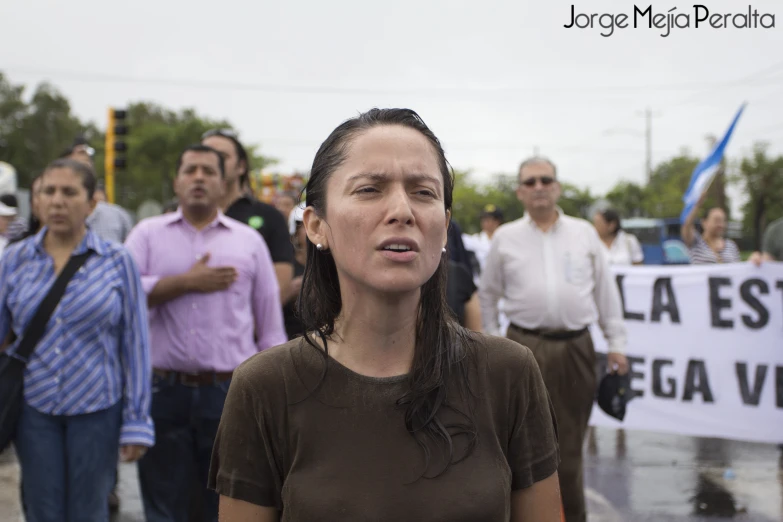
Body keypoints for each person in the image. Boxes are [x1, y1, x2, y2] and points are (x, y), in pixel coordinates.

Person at [208, 109, 562, 521]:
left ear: (444, 227)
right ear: (316, 225)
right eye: (370, 189)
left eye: (423, 192)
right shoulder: (265, 387)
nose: (402, 210)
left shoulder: (508, 373)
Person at [124, 144, 287, 522]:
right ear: (176, 181)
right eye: (190, 170)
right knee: (164, 505)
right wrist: (184, 283)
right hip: (163, 392)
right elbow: (121, 292)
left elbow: (270, 329)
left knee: (226, 504)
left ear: (223, 182)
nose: (198, 178)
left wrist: (275, 400)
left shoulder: (248, 241)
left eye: (208, 172)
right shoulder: (147, 235)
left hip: (228, 393)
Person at [0, 159, 153, 522]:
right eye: (47, 192)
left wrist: (137, 421)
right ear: (35, 201)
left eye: (69, 192)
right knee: (42, 510)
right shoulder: (15, 259)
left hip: (98, 410)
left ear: (91, 203)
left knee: (89, 511)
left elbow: (136, 344)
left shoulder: (117, 261)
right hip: (33, 410)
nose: (57, 201)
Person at [479, 156, 628, 522]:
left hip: (576, 348)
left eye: (546, 179)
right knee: (521, 447)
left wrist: (617, 343)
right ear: (519, 192)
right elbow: (488, 295)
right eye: (530, 182)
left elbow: (606, 293)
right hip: (521, 347)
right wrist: (494, 343)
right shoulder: (506, 238)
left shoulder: (584, 233)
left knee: (571, 452)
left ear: (557, 186)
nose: (539, 187)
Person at [201, 129, 294, 301]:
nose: (211, 162)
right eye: (204, 155)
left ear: (241, 166)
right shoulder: (181, 218)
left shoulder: (269, 216)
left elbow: (279, 286)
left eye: (222, 156)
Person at [682, 192, 741, 264]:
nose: (720, 225)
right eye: (716, 220)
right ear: (704, 223)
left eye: (723, 221)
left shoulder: (731, 245)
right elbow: (687, 226)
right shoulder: (696, 242)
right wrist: (697, 205)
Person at [282, 202, 306, 340]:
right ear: (295, 233)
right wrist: (288, 291)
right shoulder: (286, 268)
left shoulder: (339, 267)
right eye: (305, 225)